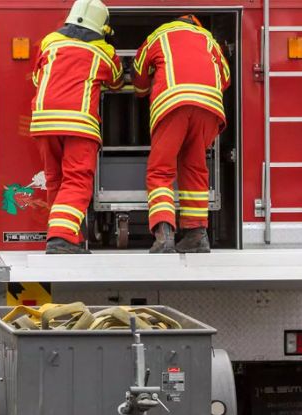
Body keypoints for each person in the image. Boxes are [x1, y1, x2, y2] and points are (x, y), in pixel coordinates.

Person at [30, 0, 123, 254]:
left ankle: (64, 235)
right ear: (101, 27)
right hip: (79, 123)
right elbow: (115, 81)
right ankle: (61, 238)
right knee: (77, 180)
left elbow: (38, 77)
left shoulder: (50, 42)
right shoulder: (102, 51)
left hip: (43, 123)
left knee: (56, 181)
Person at [132, 14, 231, 253]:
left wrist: (142, 89)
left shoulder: (158, 35)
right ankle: (196, 235)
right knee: (195, 168)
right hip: (209, 108)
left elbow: (139, 73)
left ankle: (164, 234)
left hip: (173, 104)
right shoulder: (209, 39)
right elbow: (225, 78)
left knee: (161, 171)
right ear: (196, 25)